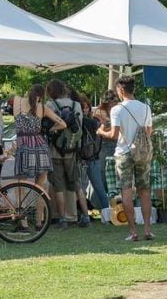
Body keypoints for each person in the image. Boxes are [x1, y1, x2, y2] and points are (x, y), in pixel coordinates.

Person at [97, 74, 153, 241]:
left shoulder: (117, 109)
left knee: (126, 191)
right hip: (142, 152)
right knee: (144, 190)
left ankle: (133, 231)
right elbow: (148, 132)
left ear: (121, 89)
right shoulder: (145, 107)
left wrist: (100, 131)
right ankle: (148, 230)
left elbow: (114, 135)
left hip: (124, 152)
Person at [13, 84, 65, 227]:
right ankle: (38, 221)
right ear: (41, 95)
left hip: (23, 144)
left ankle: (22, 222)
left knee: (21, 186)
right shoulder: (42, 107)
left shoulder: (17, 102)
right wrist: (52, 129)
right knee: (40, 187)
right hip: (40, 145)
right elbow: (63, 124)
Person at [46, 80, 91, 228]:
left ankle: (63, 219)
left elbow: (47, 126)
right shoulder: (76, 105)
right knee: (76, 184)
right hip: (73, 149)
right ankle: (85, 216)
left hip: (55, 150)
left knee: (58, 186)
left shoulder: (50, 105)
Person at [79, 95, 111, 223]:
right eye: (83, 108)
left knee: (96, 187)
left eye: (86, 107)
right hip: (90, 158)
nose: (85, 110)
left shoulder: (87, 121)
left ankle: (105, 216)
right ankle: (102, 216)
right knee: (89, 188)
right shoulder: (93, 121)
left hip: (90, 158)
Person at [93, 90, 119, 193]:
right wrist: (114, 129)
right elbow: (98, 130)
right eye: (113, 101)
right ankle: (103, 201)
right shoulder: (99, 112)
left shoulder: (116, 110)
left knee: (115, 171)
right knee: (103, 171)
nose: (115, 103)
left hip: (115, 143)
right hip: (104, 144)